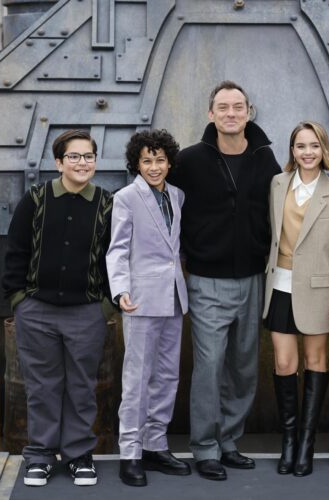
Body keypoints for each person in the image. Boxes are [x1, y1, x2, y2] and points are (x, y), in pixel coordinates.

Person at [168, 81, 281, 481]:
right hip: (207, 280)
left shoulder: (266, 160)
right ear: (210, 114)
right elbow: (169, 211)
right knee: (210, 365)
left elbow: (277, 212)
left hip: (253, 278)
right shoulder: (189, 160)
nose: (231, 113)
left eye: (238, 107)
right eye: (223, 107)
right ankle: (204, 448)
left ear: (248, 112)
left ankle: (229, 441)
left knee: (244, 366)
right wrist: (181, 257)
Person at [2, 129, 113, 487]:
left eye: (89, 157)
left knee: (81, 386)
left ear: (95, 161)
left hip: (87, 312)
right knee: (43, 386)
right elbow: (16, 251)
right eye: (75, 157)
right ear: (59, 162)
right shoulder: (35, 200)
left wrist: (107, 305)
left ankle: (80, 456)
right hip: (37, 311)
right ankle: (41, 456)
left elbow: (116, 256)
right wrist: (19, 300)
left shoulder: (107, 204)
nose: (83, 163)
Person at [263, 121, 329, 476]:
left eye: (314, 145)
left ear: (324, 149)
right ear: (292, 151)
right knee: (284, 364)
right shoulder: (278, 184)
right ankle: (288, 440)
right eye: (301, 146)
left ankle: (306, 445)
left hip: (318, 289)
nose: (308, 152)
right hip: (279, 286)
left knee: (315, 361)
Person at [107, 129, 191, 487]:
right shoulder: (126, 198)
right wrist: (120, 290)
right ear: (136, 164)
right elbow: (118, 249)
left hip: (173, 296)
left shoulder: (178, 195)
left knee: (167, 375)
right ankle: (130, 452)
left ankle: (155, 444)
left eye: (159, 160)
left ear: (169, 162)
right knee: (137, 378)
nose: (154, 167)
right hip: (140, 298)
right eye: (146, 161)